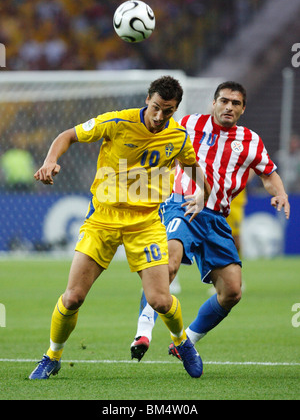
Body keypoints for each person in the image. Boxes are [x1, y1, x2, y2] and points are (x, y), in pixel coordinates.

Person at [29, 76, 211, 380]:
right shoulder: (116, 122)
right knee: (73, 297)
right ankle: (52, 356)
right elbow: (67, 135)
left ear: (175, 109)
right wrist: (50, 160)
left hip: (146, 223)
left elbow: (190, 164)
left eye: (167, 111)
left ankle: (182, 343)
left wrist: (203, 192)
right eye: (155, 107)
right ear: (147, 99)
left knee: (160, 301)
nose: (158, 116)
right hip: (102, 219)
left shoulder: (177, 137)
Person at [131, 81, 290, 362]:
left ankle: (186, 342)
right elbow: (156, 135)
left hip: (216, 218)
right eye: (224, 101)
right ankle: (143, 332)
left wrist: (281, 194)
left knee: (232, 292)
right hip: (183, 204)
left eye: (235, 103)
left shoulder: (251, 140)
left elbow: (268, 174)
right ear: (213, 103)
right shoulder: (189, 124)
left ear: (242, 109)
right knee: (169, 263)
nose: (229, 107)